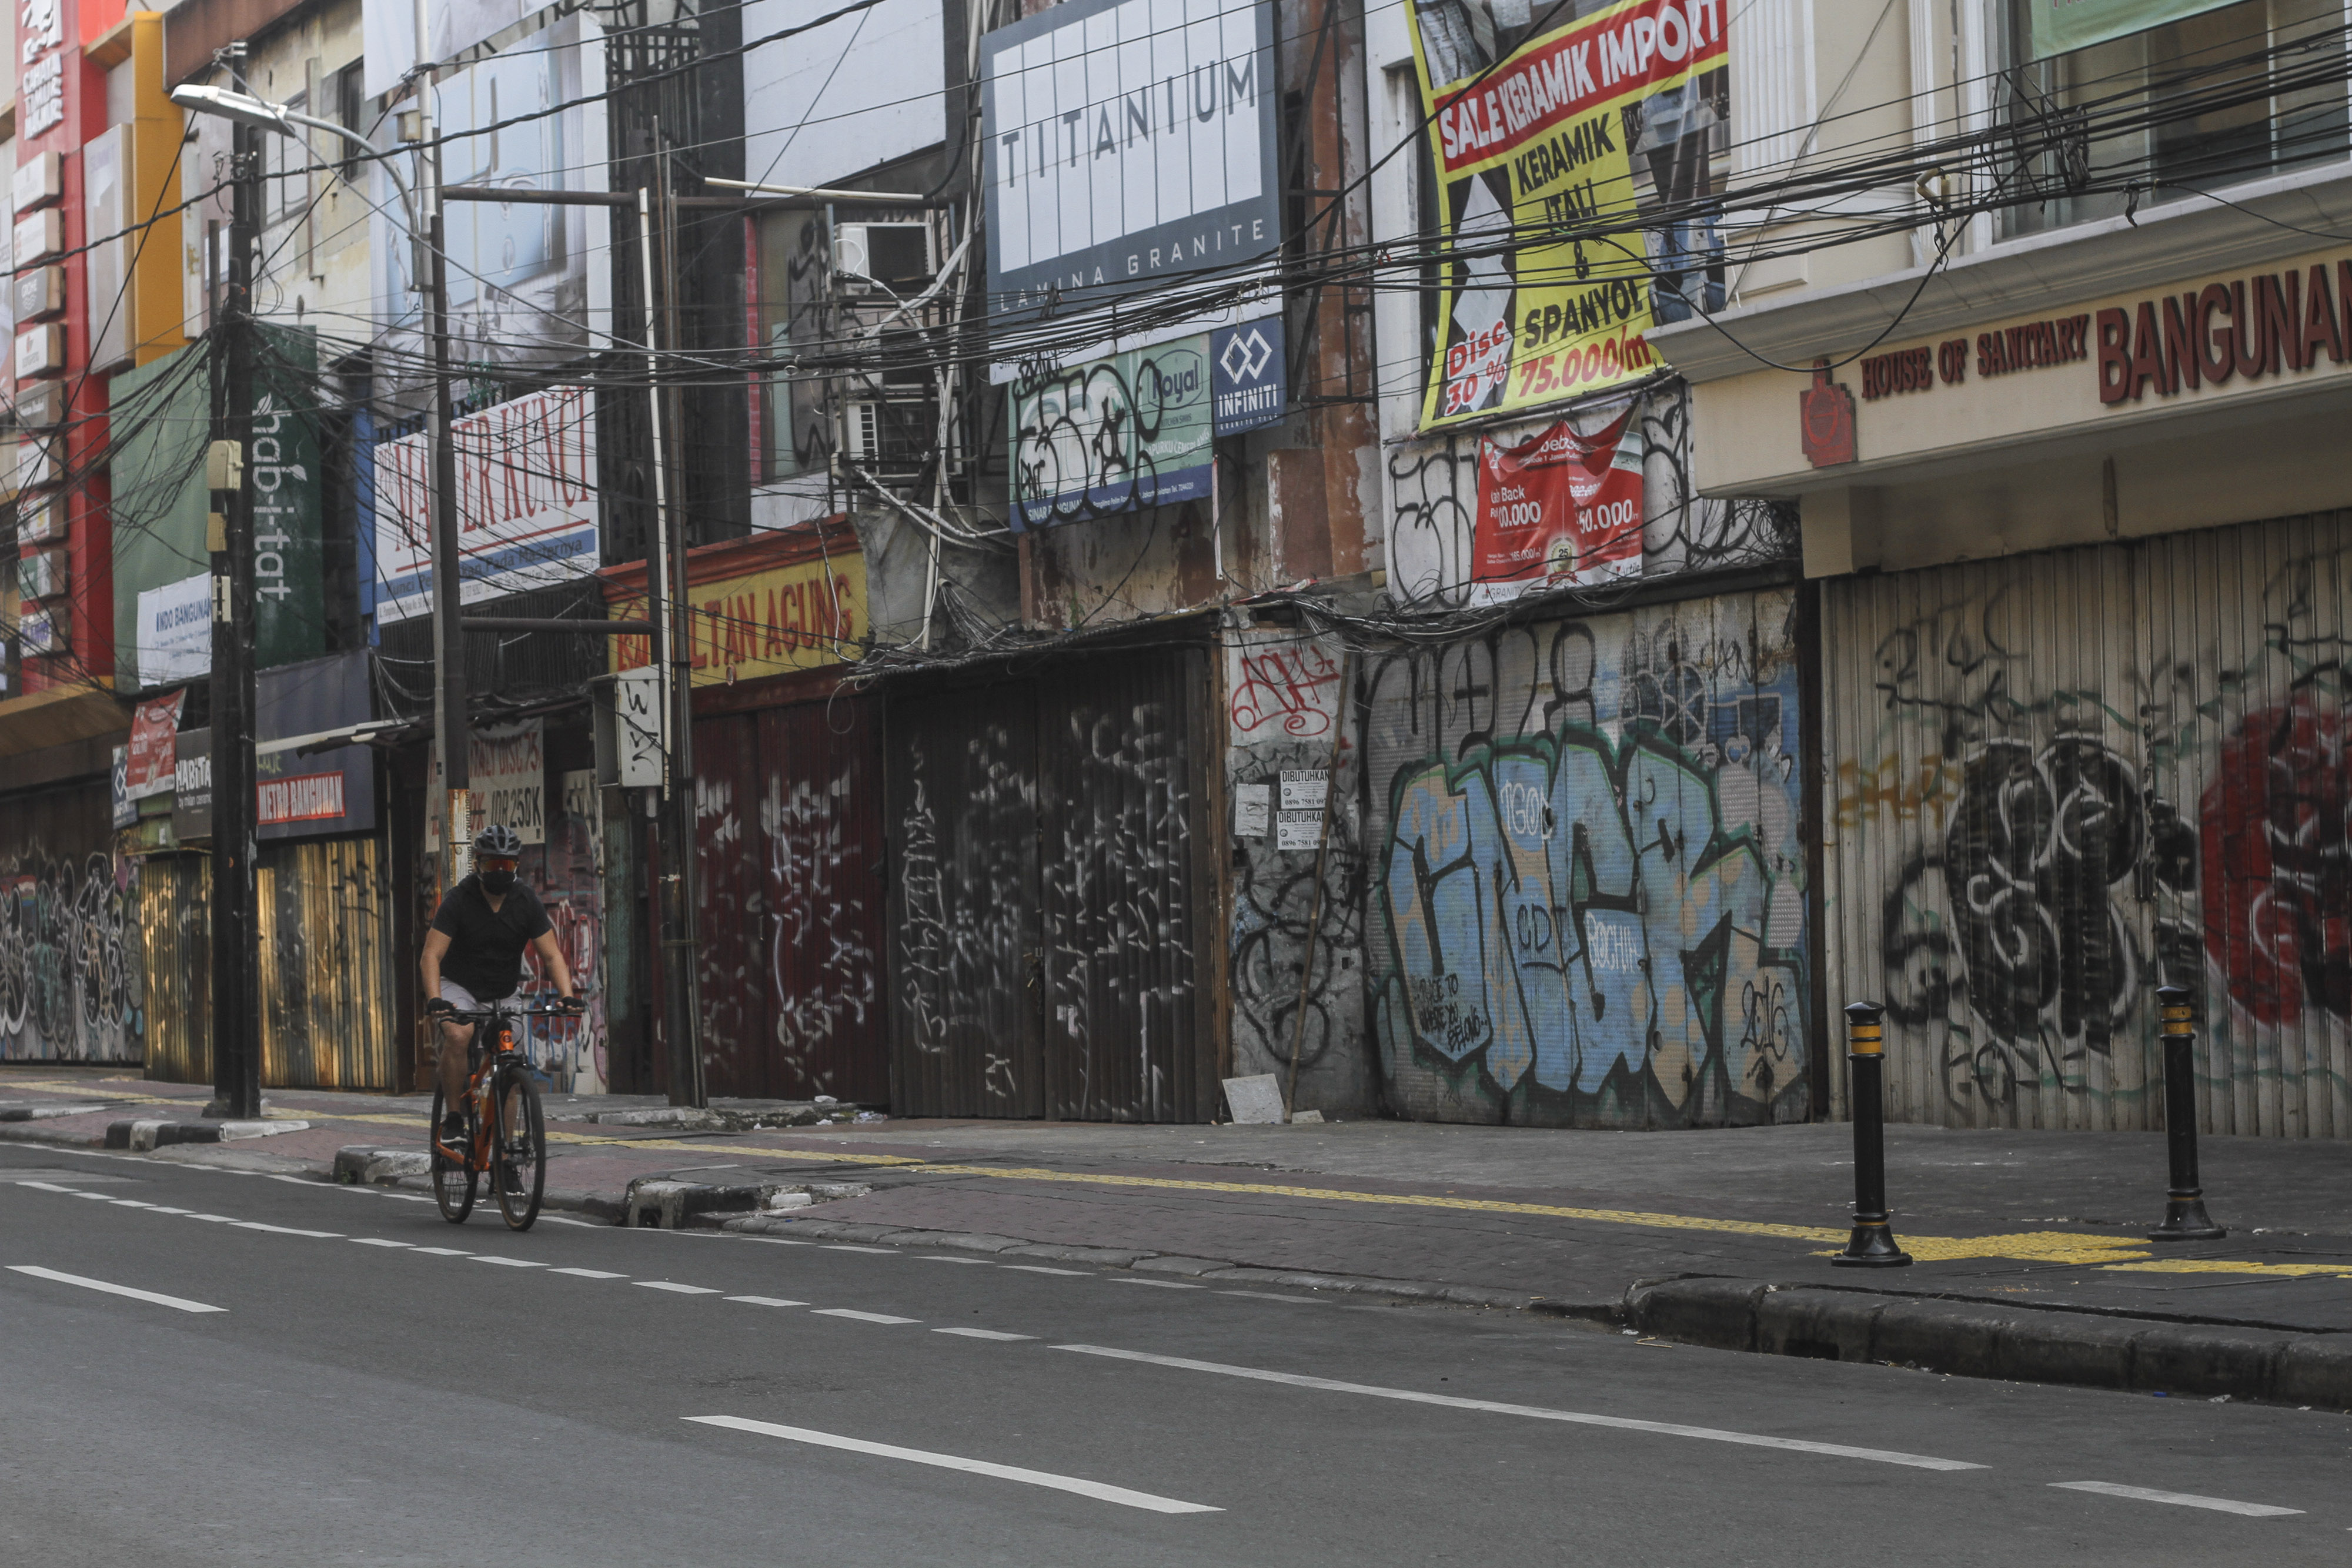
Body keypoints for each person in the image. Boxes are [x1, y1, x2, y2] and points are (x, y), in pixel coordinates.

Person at [419, 824, 582, 1147]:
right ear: (478, 863)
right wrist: (436, 998)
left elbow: (552, 956)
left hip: (504, 992)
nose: (499, 871)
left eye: (506, 865)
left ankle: (505, 1155)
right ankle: (453, 1119)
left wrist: (567, 995)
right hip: (459, 986)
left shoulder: (525, 900)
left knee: (508, 1068)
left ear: (516, 866)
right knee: (459, 1034)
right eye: (492, 864)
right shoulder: (459, 899)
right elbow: (431, 956)